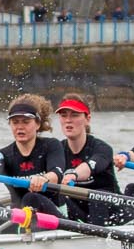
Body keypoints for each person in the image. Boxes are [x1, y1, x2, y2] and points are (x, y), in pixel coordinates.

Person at [0, 95, 63, 218]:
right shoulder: (2, 154)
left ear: (37, 124)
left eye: (26, 122)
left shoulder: (51, 146)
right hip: (19, 217)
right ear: (10, 124)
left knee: (31, 198)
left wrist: (43, 179)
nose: (20, 127)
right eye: (15, 122)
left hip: (53, 215)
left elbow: (56, 174)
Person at [45, 92, 116, 226]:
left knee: (97, 197)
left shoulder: (102, 148)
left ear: (87, 118)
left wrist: (74, 174)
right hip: (78, 212)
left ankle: (96, 240)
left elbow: (89, 166)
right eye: (63, 115)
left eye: (75, 115)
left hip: (109, 211)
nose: (68, 120)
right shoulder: (56, 150)